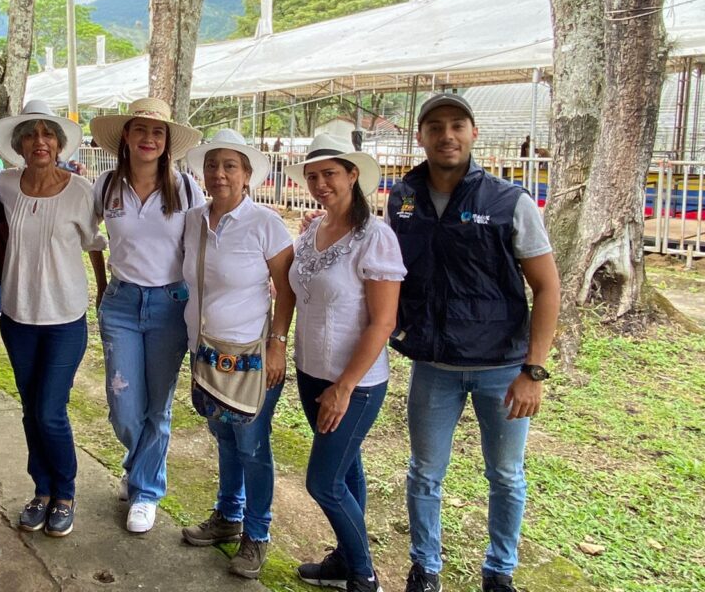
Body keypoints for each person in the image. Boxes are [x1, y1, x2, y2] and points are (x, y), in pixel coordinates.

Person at [387, 93, 561, 592]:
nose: (447, 135)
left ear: (473, 134)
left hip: (501, 369)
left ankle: (499, 572)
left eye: (457, 125)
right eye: (435, 126)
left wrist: (533, 371)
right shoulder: (403, 198)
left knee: (506, 474)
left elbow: (548, 287)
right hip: (433, 367)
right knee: (425, 472)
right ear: (420, 136)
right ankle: (426, 568)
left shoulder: (509, 202)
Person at [285, 134, 406, 592]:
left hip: (355, 383)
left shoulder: (375, 238)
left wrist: (344, 386)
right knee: (345, 468)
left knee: (323, 482)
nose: (321, 184)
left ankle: (364, 574)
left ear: (353, 175)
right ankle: (343, 561)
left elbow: (383, 321)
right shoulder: (312, 231)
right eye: (313, 176)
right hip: (310, 370)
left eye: (330, 174)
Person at [180, 129, 294, 580]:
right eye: (212, 165)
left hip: (251, 357)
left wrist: (278, 344)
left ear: (247, 175)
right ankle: (228, 515)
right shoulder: (193, 219)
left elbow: (286, 290)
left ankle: (257, 533)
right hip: (205, 353)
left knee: (252, 445)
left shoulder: (266, 223)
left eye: (230, 166)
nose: (220, 174)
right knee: (224, 437)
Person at [0, 99, 107, 539]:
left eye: (48, 134)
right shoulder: (4, 184)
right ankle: (40, 489)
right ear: (19, 145)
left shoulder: (81, 190)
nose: (40, 141)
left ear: (58, 144)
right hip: (18, 314)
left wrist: (102, 289)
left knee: (49, 410)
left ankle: (65, 492)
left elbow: (94, 243)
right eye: (31, 135)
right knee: (29, 409)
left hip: (64, 317)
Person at [88, 98, 204, 534]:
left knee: (158, 404)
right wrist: (101, 284)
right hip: (120, 303)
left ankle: (145, 492)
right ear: (126, 136)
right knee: (123, 406)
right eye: (140, 130)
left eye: (158, 132)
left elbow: (205, 243)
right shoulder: (106, 185)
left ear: (167, 141)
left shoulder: (185, 188)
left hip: (170, 305)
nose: (149, 139)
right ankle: (139, 468)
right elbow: (88, 234)